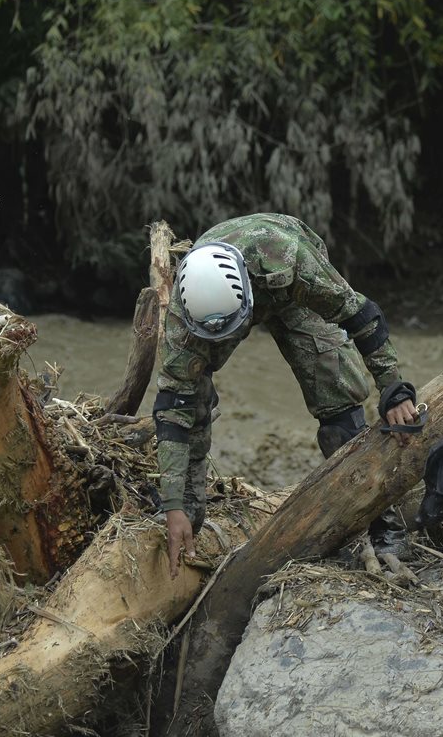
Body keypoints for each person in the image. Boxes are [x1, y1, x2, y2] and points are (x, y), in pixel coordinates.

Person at [154, 213, 421, 578]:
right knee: (192, 400)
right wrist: (172, 504)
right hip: (220, 310)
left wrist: (393, 389)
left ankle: (382, 525)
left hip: (291, 291)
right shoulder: (184, 319)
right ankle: (188, 511)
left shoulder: (291, 260)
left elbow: (361, 314)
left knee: (338, 403)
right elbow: (173, 409)